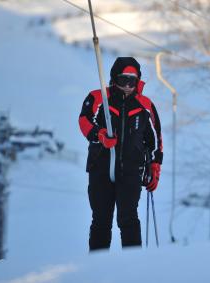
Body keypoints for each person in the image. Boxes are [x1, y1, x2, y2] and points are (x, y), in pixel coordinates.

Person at [78, 57, 163, 251]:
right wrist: (99, 135)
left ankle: (132, 268)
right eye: (123, 79)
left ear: (138, 81)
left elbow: (156, 138)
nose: (127, 86)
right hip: (101, 168)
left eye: (132, 81)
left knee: (128, 218)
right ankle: (98, 266)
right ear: (114, 78)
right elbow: (84, 120)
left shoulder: (145, 105)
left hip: (131, 171)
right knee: (101, 219)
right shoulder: (99, 98)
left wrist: (155, 165)